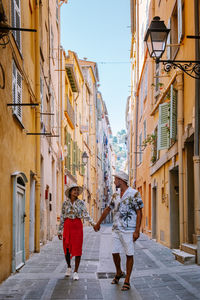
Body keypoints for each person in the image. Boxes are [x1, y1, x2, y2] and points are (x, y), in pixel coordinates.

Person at [94, 170, 143, 291]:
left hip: (129, 229)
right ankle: (119, 272)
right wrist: (98, 223)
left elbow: (139, 212)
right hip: (116, 228)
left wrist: (137, 231)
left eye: (115, 179)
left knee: (129, 253)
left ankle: (127, 280)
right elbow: (107, 209)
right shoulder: (115, 195)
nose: (114, 181)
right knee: (114, 252)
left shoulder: (134, 193)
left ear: (121, 181)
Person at [58, 183, 96, 281]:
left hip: (77, 226)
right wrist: (59, 230)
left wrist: (93, 224)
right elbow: (62, 216)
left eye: (77, 190)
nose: (76, 191)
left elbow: (86, 214)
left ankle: (76, 271)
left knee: (77, 249)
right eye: (74, 190)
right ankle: (69, 267)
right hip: (67, 226)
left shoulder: (81, 203)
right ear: (70, 192)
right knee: (66, 248)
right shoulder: (65, 204)